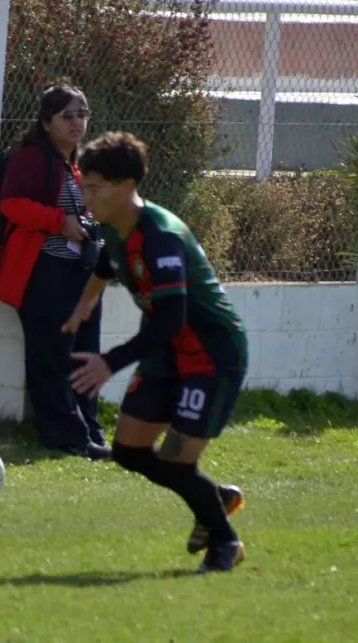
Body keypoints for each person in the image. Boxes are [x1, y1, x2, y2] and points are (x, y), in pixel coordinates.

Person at [62, 131, 248, 573]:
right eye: (82, 186)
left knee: (177, 461)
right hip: (167, 356)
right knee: (128, 450)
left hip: (209, 357)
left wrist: (109, 362)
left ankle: (226, 541)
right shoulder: (113, 225)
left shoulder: (160, 237)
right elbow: (108, 262)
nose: (85, 198)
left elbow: (170, 319)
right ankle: (213, 499)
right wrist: (87, 302)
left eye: (94, 188)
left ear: (126, 186)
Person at [0, 81, 109, 460]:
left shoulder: (78, 161)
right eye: (66, 115)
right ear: (46, 121)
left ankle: (90, 431)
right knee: (52, 355)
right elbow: (12, 204)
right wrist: (59, 221)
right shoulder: (32, 156)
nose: (76, 122)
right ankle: (64, 436)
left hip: (82, 271)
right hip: (46, 271)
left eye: (82, 113)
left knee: (85, 352)